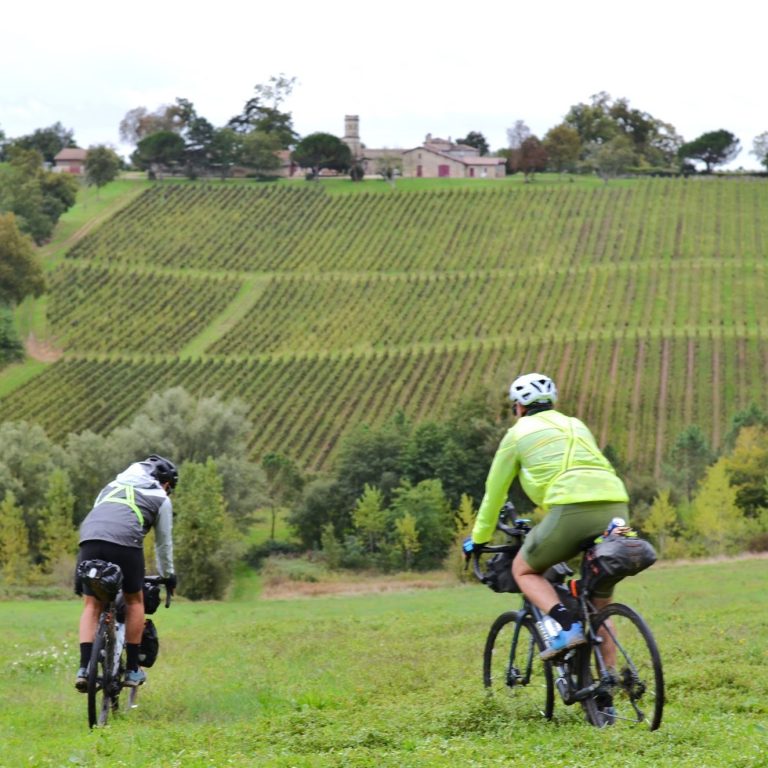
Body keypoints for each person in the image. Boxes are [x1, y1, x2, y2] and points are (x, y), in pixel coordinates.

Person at [463, 372, 629, 661]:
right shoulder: (575, 425)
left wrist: (478, 539)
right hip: (617, 508)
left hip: (571, 509)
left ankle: (567, 625)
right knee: (600, 609)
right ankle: (606, 693)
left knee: (524, 570)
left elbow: (494, 492)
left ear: (519, 407)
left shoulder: (518, 433)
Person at [75, 455, 178, 691]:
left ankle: (83, 669)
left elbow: (100, 522)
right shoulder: (160, 498)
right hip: (126, 542)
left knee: (92, 604)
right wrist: (168, 575)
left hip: (89, 539)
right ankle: (132, 669)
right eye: (169, 487)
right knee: (134, 600)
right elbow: (163, 544)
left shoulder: (109, 488)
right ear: (164, 483)